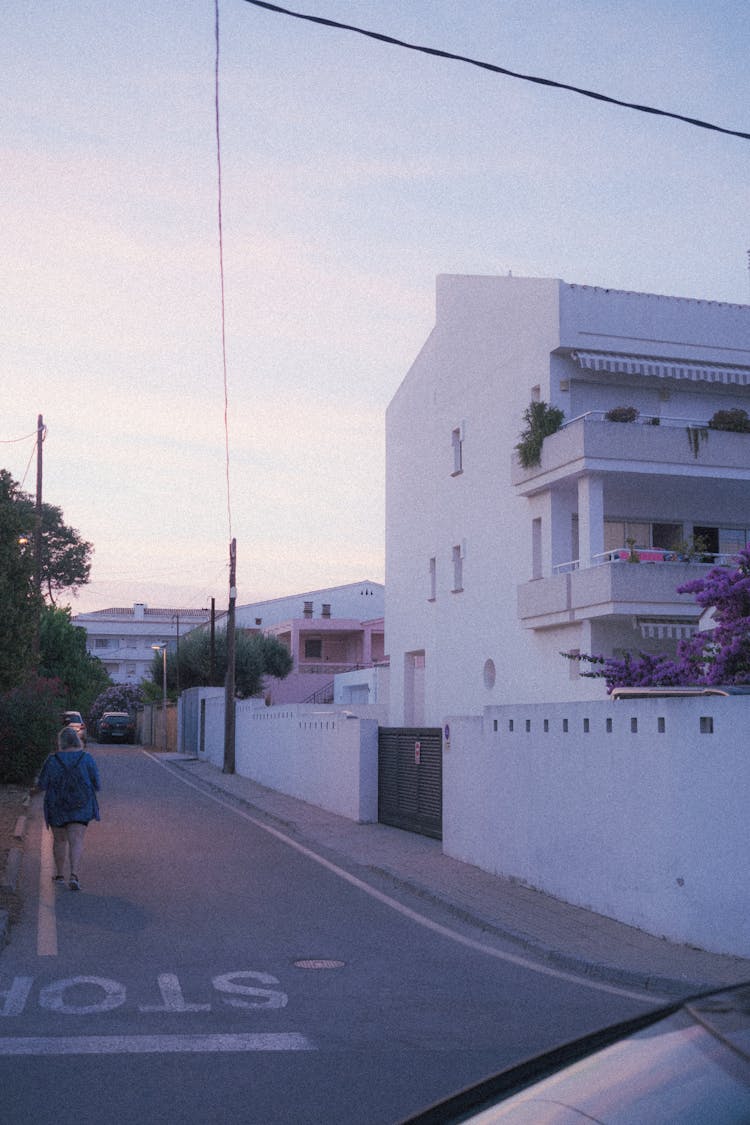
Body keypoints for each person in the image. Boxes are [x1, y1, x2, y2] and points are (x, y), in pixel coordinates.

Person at [37, 725, 101, 891]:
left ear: (61, 742)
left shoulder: (52, 760)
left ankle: (59, 875)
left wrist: (31, 793)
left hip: (57, 805)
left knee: (59, 841)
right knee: (76, 840)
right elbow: (97, 784)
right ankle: (74, 875)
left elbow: (42, 784)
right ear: (77, 740)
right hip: (81, 805)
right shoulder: (86, 759)